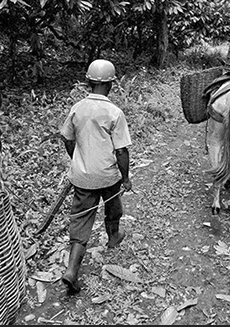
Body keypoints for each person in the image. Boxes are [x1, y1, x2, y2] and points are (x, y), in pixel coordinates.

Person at [59, 59, 132, 295]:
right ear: (111, 84)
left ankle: (72, 270)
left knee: (80, 221)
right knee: (113, 206)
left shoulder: (77, 108)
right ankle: (113, 236)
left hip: (82, 177)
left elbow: (68, 138)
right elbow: (121, 150)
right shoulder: (114, 112)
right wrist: (126, 178)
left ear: (88, 82)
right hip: (108, 176)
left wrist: (77, 159)